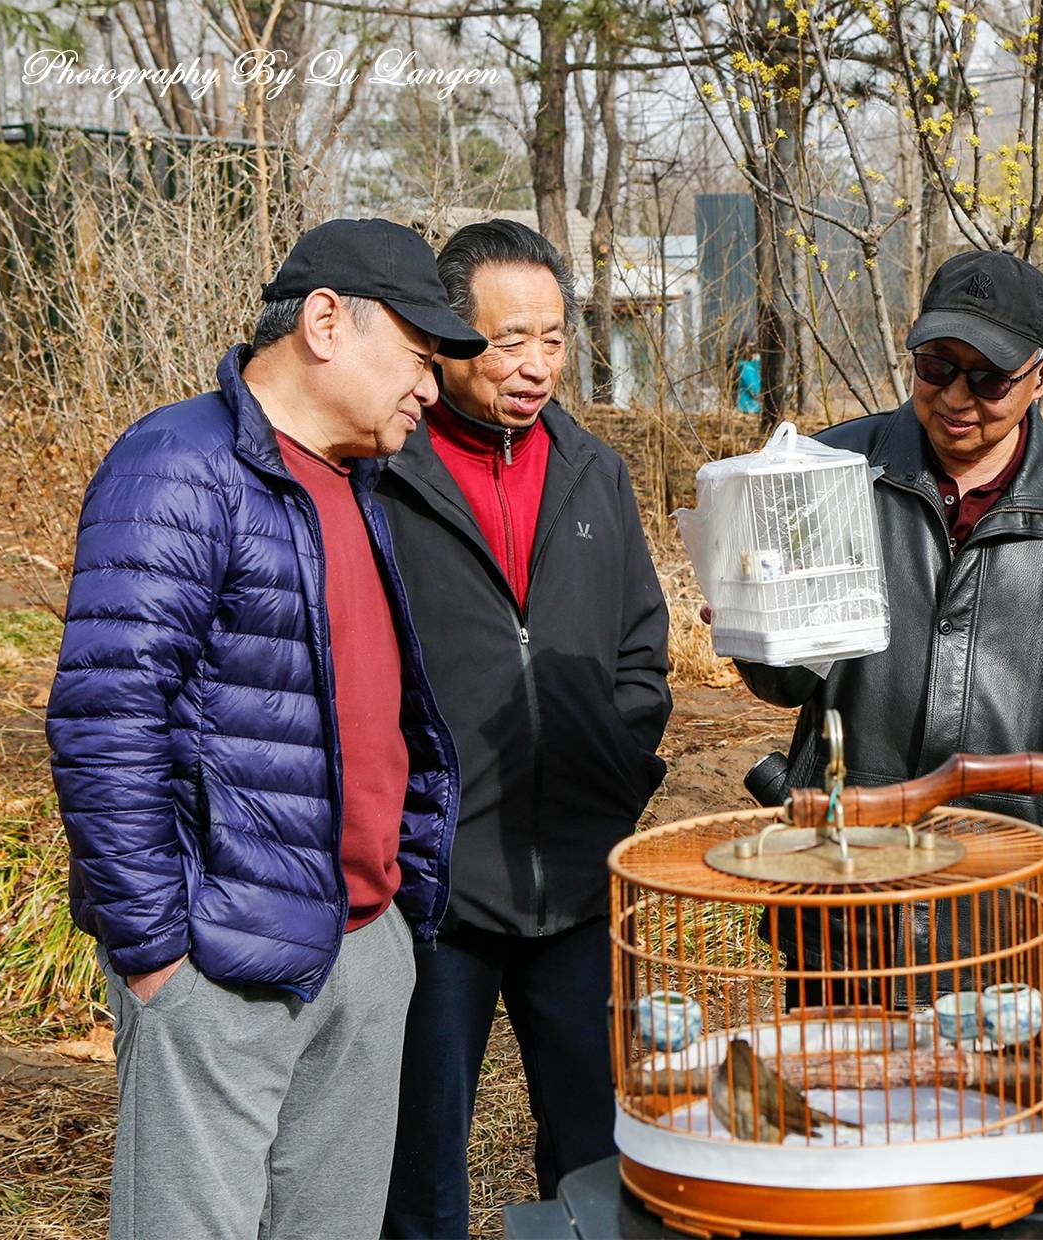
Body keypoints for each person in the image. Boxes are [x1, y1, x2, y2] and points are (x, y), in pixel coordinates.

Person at [46, 218, 486, 1239]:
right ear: (327, 322)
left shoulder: (363, 482)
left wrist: (392, 927)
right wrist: (161, 953)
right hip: (223, 957)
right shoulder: (178, 464)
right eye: (420, 357)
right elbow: (107, 717)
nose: (430, 388)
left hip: (364, 943)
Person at [729, 248, 1043, 999]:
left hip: (1002, 899)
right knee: (838, 1101)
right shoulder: (832, 469)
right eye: (936, 366)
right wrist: (752, 625)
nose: (956, 397)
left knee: (987, 1105)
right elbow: (786, 681)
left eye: (989, 379)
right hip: (843, 884)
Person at [376, 219, 672, 1237]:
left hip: (581, 881)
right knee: (418, 1170)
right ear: (449, 340)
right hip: (435, 891)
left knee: (598, 1165)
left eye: (551, 337)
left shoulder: (595, 472)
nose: (534, 365)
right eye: (508, 340)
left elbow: (641, 646)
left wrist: (618, 763)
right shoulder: (387, 474)